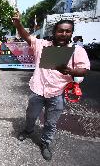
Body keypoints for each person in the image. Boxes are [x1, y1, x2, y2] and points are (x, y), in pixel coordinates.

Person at [12, 12, 90, 161]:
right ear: (54, 32)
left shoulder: (77, 50)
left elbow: (84, 69)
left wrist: (71, 71)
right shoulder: (42, 45)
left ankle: (45, 143)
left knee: (51, 122)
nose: (64, 34)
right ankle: (28, 130)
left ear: (71, 33)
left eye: (68, 31)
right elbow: (27, 37)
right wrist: (18, 25)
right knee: (31, 115)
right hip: (37, 90)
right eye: (60, 31)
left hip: (58, 93)